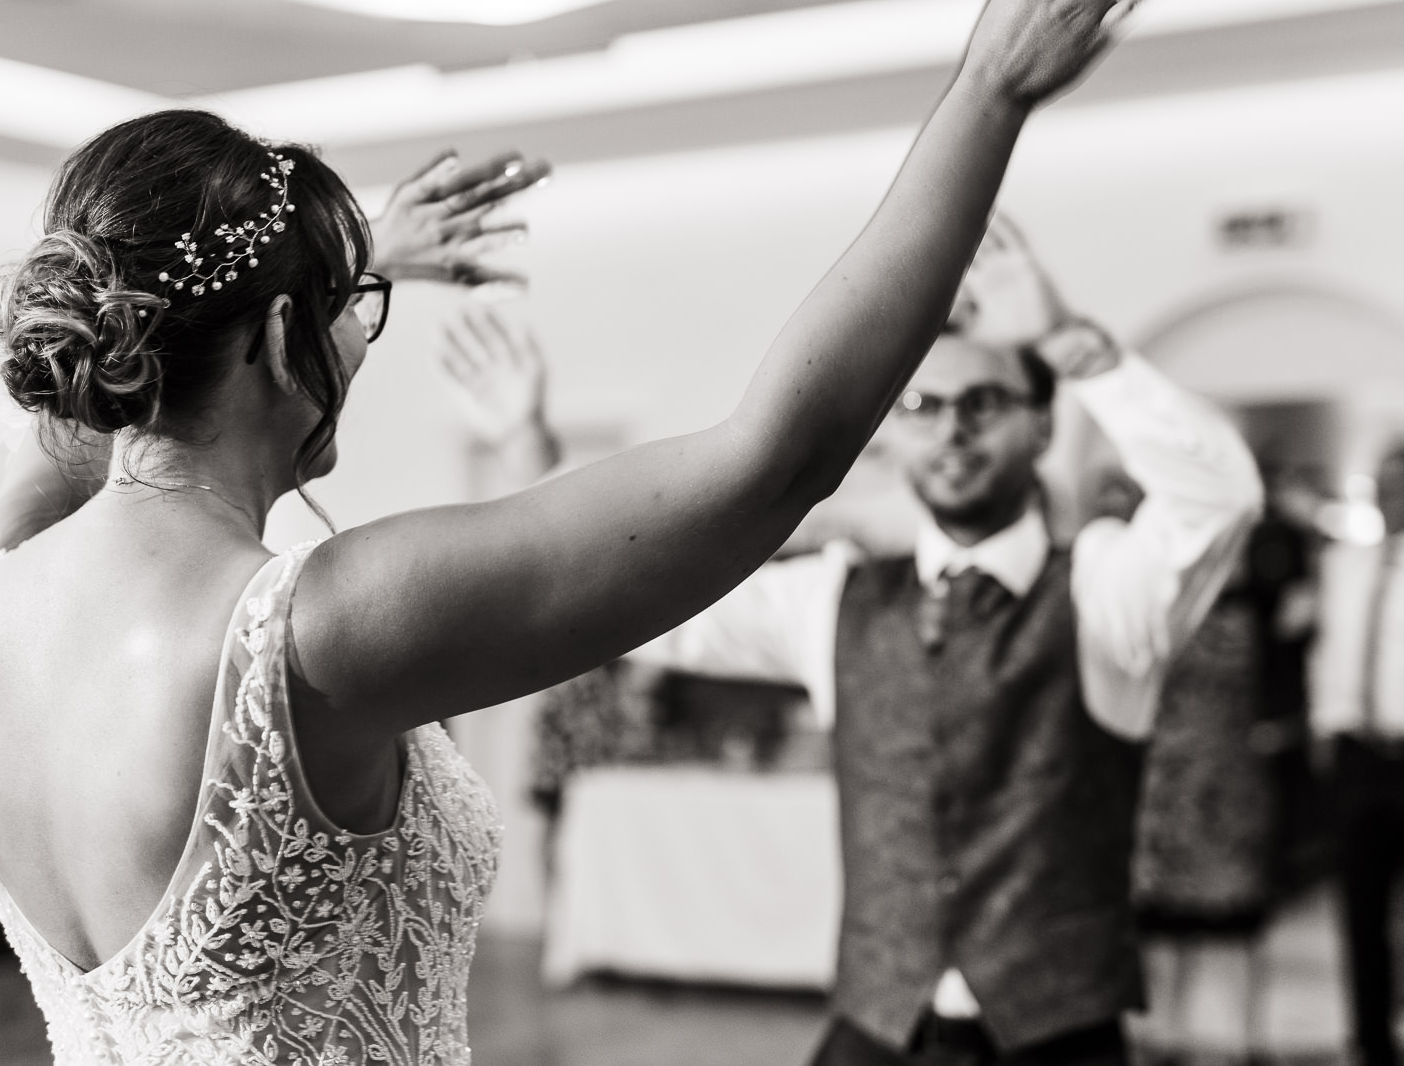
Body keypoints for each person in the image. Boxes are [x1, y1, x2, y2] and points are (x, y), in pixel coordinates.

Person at [0, 6, 1130, 1062]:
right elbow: (776, 461)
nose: (358, 344)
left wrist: (324, 275)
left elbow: (89, 408)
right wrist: (988, 93)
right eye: (350, 316)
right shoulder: (317, 626)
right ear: (271, 337)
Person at [465, 217, 1264, 1063]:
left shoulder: (1107, 593)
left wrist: (1067, 340)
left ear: (1041, 427)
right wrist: (529, 454)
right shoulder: (833, 599)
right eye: (924, 405)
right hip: (876, 1030)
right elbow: (638, 598)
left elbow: (1219, 498)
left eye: (984, 401)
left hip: (1058, 1035)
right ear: (894, 432)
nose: (952, 428)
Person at [1310, 443, 1404, 1066]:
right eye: (1382, 487)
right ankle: (1370, 1042)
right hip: (1356, 754)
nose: (1389, 499)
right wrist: (1325, 728)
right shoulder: (1343, 563)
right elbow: (1329, 648)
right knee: (1360, 911)